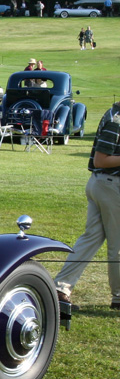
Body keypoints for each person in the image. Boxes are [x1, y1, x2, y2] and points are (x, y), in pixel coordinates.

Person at [54, 104, 120, 311]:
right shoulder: (117, 121)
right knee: (118, 246)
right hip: (110, 185)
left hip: (101, 184)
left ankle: (61, 288)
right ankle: (119, 297)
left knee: (90, 238)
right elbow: (102, 159)